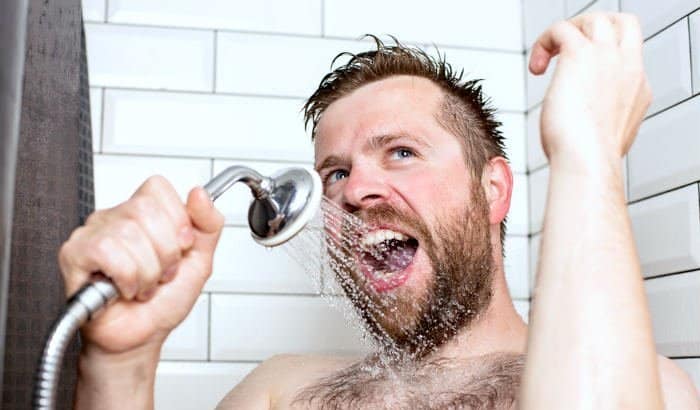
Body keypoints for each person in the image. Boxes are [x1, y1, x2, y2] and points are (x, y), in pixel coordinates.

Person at [60, 12, 699, 409]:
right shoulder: (283, 393)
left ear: (493, 190)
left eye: (399, 152)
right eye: (334, 172)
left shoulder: (648, 385)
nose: (353, 191)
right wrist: (120, 363)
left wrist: (586, 151)